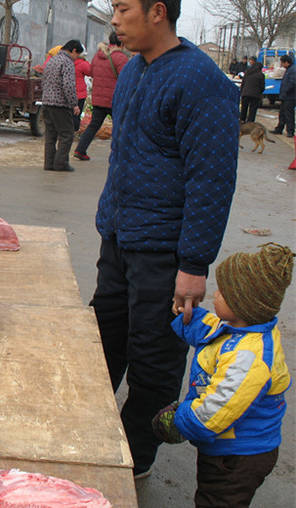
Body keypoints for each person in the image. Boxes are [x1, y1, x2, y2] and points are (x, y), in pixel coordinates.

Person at [90, 0, 239, 479]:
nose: (114, 18)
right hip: (118, 239)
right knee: (101, 342)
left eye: (122, 7)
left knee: (153, 361)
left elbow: (211, 181)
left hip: (164, 252)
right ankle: (90, 428)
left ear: (158, 11)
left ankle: (136, 457)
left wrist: (194, 265)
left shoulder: (201, 81)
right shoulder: (133, 71)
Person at [152, 243, 293, 507]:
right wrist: (187, 317)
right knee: (209, 491)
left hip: (239, 456)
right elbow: (211, 330)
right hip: (224, 447)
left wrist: (181, 420)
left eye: (223, 294)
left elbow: (217, 410)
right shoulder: (238, 327)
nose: (215, 295)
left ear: (243, 305)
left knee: (218, 500)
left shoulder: (250, 358)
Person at [73, 32, 128, 161]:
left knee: (93, 126)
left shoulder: (98, 56)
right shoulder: (120, 58)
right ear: (122, 43)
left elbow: (91, 72)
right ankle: (120, 154)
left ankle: (80, 150)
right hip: (115, 100)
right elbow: (126, 78)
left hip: (98, 99)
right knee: (121, 127)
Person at [41, 39, 84, 172]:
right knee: (67, 134)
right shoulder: (67, 62)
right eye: (78, 55)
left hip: (47, 102)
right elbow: (68, 85)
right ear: (74, 50)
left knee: (50, 135)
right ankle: (61, 163)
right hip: (60, 104)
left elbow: (44, 81)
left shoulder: (52, 60)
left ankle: (49, 163)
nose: (76, 59)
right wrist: (74, 104)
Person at [271, 55, 295, 137]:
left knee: (289, 114)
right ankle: (279, 129)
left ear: (287, 62)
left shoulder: (293, 70)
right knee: (282, 113)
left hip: (290, 97)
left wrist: (285, 91)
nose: (281, 64)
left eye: (282, 62)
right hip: (285, 96)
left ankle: (290, 131)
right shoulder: (288, 70)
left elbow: (292, 83)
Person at [239, 56, 265, 123]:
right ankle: (250, 123)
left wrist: (242, 92)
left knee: (244, 108)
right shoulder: (261, 75)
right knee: (252, 110)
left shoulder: (247, 72)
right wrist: (260, 92)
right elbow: (262, 86)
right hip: (255, 95)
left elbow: (243, 83)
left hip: (245, 93)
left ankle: (242, 121)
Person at [73, 53, 92, 132]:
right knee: (77, 114)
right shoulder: (82, 64)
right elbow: (90, 72)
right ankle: (75, 131)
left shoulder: (69, 62)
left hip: (69, 92)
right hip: (79, 93)